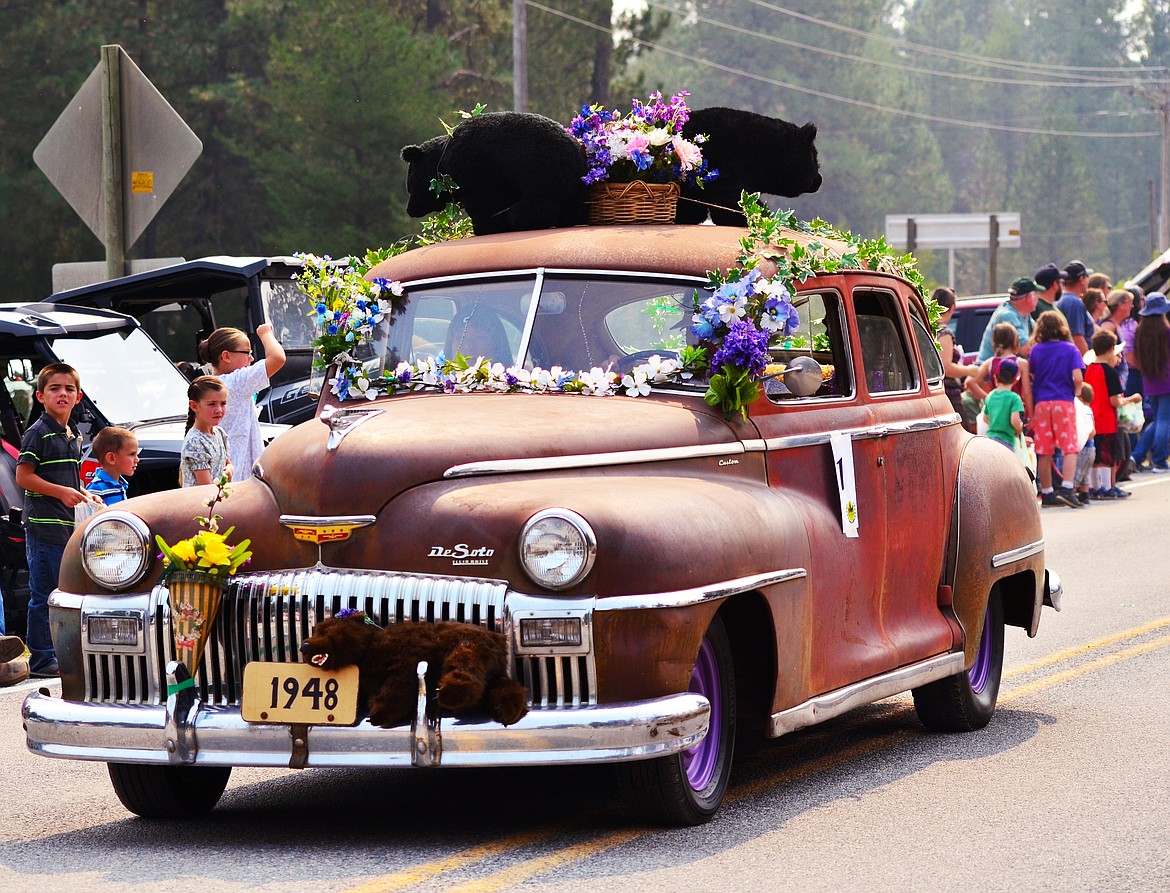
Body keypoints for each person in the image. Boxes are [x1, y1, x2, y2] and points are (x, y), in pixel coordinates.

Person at [15, 363, 88, 676]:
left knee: (64, 592)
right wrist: (61, 493)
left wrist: (84, 494)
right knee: (44, 594)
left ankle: (62, 652)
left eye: (69, 389)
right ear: (40, 396)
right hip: (44, 527)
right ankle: (43, 658)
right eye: (55, 388)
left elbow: (70, 479)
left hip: (66, 526)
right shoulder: (38, 433)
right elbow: (24, 476)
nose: (63, 394)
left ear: (78, 396)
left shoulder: (73, 434)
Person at [200, 325, 286, 482]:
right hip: (240, 477)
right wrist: (265, 332)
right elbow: (278, 358)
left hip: (221, 475)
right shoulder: (237, 382)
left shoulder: (207, 385)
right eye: (247, 352)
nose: (251, 359)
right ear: (226, 356)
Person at [1029, 311, 1085, 508]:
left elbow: (1033, 375)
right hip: (1063, 401)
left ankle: (1047, 492)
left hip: (1042, 403)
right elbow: (1077, 377)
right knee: (1070, 446)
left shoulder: (1036, 350)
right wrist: (1077, 391)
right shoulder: (1071, 350)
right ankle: (1068, 488)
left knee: (1044, 450)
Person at [1085, 330, 1140, 499]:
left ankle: (1094, 486)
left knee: (1096, 456)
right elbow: (1114, 401)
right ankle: (1106, 487)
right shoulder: (1110, 372)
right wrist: (1131, 399)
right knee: (1108, 456)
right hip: (1107, 420)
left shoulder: (1089, 369)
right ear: (1110, 350)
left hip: (1092, 419)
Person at [1130, 292, 1170, 473]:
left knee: (1156, 420)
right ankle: (1160, 460)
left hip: (1149, 381)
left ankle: (1137, 455)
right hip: (1167, 380)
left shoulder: (1140, 331)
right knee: (1164, 421)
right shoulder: (1167, 331)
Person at [965, 322, 1033, 426]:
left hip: (996, 411)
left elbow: (970, 382)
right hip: (1016, 408)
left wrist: (988, 398)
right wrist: (1031, 415)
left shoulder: (990, 363)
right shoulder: (1021, 364)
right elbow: (1027, 392)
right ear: (1015, 341)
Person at [932, 287, 981, 431]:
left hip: (933, 394)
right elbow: (946, 367)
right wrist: (970, 370)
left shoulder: (925, 326)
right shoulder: (944, 332)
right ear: (952, 307)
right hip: (950, 397)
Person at [181, 376, 233, 488]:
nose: (219, 409)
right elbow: (206, 489)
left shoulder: (220, 433)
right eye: (212, 404)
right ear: (194, 406)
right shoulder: (195, 442)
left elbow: (228, 463)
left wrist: (229, 470)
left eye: (223, 403)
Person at [976, 277, 1042, 362]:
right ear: (1029, 298)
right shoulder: (1008, 315)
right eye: (1036, 294)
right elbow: (1025, 348)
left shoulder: (1024, 314)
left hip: (1005, 369)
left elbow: (1040, 335)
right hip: (990, 371)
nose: (1038, 298)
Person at [84, 426, 139, 505]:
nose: (137, 459)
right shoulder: (96, 489)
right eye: (132, 454)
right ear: (111, 458)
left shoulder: (121, 484)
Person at [982, 357, 1025, 451]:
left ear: (995, 377)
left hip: (990, 439)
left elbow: (985, 418)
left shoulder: (990, 396)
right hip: (1006, 442)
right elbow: (1015, 421)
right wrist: (1020, 427)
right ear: (1016, 379)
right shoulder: (1015, 398)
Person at [1056, 261, 1096, 355]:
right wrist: (1087, 364)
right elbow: (1077, 338)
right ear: (1082, 279)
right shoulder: (1074, 302)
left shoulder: (1063, 299)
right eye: (1087, 277)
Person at [1073, 382, 1096, 505]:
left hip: (1085, 448)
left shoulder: (1083, 411)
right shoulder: (1090, 410)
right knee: (1085, 472)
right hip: (1092, 448)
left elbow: (1091, 431)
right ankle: (1085, 493)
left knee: (1078, 471)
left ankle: (1071, 490)